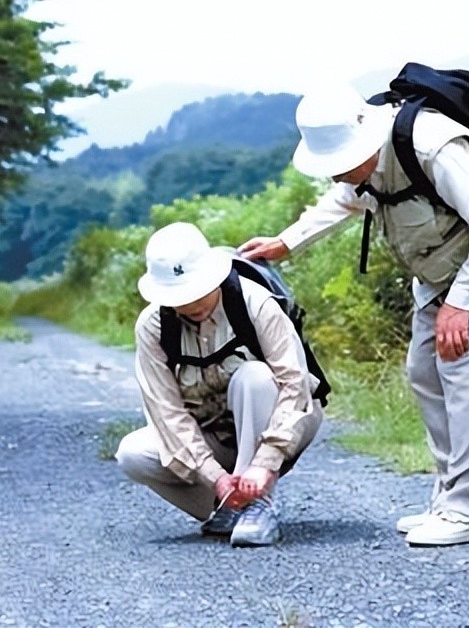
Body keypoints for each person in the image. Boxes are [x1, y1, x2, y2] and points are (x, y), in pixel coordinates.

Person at [239, 83, 469, 547]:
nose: (338, 176)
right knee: (425, 371)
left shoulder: (431, 147)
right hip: (438, 270)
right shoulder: (360, 169)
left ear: (364, 141)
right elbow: (345, 200)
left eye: (341, 164)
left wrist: (461, 303)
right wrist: (286, 242)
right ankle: (448, 499)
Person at [116, 222, 323, 546]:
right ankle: (229, 506)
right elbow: (167, 414)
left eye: (198, 289)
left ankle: (258, 500)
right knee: (133, 453)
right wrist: (216, 478)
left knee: (253, 377)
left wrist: (265, 463)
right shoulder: (153, 327)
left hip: (286, 421)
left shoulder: (255, 303)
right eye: (180, 295)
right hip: (213, 435)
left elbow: (294, 386)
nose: (193, 302)